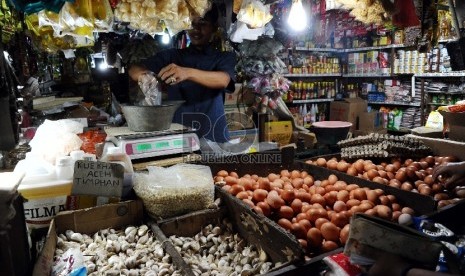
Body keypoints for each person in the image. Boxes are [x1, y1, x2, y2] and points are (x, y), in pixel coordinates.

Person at [128, 4, 236, 143]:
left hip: (214, 135)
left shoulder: (224, 57)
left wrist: (187, 73)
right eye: (192, 24)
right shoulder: (171, 55)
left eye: (203, 23)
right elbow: (134, 68)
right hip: (179, 137)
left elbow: (223, 80)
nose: (196, 29)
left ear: (214, 27)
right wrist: (144, 75)